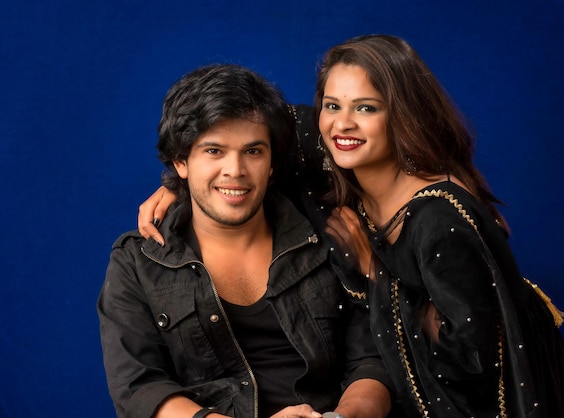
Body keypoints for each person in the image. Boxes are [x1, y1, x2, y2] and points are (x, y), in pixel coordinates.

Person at [138, 35, 564, 418]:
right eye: (332, 105)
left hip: (495, 389)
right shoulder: (328, 152)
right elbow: (246, 122)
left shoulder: (438, 216)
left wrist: (375, 273)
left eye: (366, 107)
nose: (342, 123)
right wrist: (178, 181)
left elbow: (469, 362)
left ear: (402, 116)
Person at [98, 63, 393, 418]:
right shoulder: (139, 261)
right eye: (214, 151)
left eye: (253, 151)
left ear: (272, 163)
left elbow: (372, 360)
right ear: (181, 161)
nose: (235, 171)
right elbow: (140, 389)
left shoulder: (325, 234)